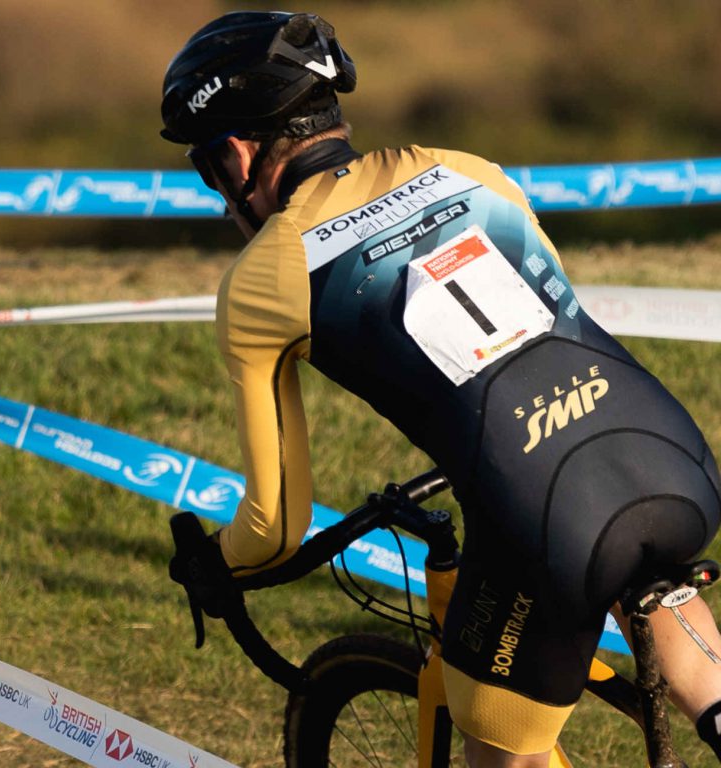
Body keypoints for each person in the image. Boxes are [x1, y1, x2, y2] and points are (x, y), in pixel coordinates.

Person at [161, 11, 721, 766]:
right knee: (662, 610)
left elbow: (275, 527)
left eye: (205, 167)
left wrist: (215, 565)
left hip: (545, 513)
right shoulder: (468, 168)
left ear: (234, 155)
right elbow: (552, 323)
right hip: (668, 455)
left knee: (497, 747)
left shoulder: (266, 276)